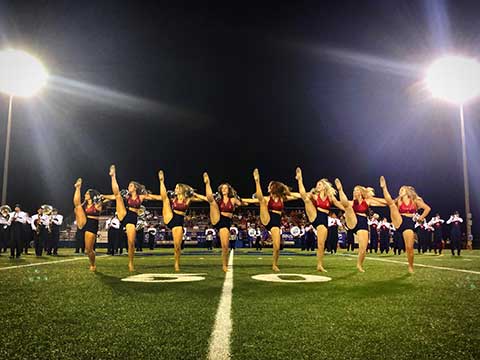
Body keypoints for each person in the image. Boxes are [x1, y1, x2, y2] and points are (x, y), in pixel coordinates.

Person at [105, 165, 162, 271]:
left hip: (132, 218)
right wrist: (103, 196)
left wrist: (165, 197)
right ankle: (113, 176)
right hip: (124, 214)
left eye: (130, 186)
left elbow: (157, 197)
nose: (128, 187)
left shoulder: (141, 197)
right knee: (118, 196)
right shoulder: (127, 196)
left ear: (135, 188)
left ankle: (131, 263)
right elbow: (114, 196)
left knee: (131, 243)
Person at [199, 173, 252, 271]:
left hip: (225, 223)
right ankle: (207, 183)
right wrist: (195, 194)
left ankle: (224, 265)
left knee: (225, 246)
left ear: (228, 190)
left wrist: (254, 202)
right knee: (212, 201)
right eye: (222, 188)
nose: (223, 189)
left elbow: (243, 203)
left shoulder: (233, 200)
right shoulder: (218, 200)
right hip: (217, 218)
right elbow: (206, 198)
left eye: (225, 188)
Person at [295, 168, 344, 271]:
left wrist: (348, 210)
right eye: (317, 184)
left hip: (323, 220)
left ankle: (319, 265)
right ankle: (300, 179)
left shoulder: (330, 197)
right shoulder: (315, 196)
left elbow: (339, 204)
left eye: (319, 184)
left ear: (324, 187)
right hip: (314, 215)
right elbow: (303, 195)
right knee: (307, 200)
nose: (317, 185)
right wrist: (300, 180)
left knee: (321, 244)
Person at [380, 176, 431, 273]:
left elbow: (427, 208)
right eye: (399, 190)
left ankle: (410, 266)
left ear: (407, 191)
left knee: (409, 247)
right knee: (391, 204)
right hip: (399, 220)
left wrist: (421, 217)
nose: (400, 191)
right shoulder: (398, 201)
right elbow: (388, 201)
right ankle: (384, 187)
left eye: (402, 190)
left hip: (409, 223)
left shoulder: (415, 201)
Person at [253, 168, 300, 272]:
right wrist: (241, 200)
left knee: (277, 246)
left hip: (275, 223)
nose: (268, 187)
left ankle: (274, 264)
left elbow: (298, 196)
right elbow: (256, 199)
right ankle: (257, 181)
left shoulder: (282, 198)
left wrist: (288, 192)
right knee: (262, 201)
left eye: (270, 186)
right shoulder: (267, 198)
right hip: (267, 219)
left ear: (274, 188)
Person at [335, 179, 387, 272]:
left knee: (363, 247)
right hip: (352, 220)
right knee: (347, 206)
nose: (355, 192)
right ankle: (340, 189)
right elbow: (339, 203)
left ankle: (359, 265)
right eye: (354, 190)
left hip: (362, 222)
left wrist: (391, 201)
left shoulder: (367, 201)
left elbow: (384, 202)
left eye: (357, 190)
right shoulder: (351, 203)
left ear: (361, 192)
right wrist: (336, 197)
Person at [158, 170, 204, 271]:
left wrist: (194, 193)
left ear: (182, 189)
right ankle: (161, 181)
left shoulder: (188, 199)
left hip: (178, 222)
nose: (175, 189)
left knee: (177, 246)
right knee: (165, 199)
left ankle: (177, 263)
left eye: (177, 188)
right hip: (170, 217)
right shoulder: (173, 198)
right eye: (175, 188)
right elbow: (163, 197)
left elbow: (205, 199)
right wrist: (162, 182)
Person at [73, 178, 104, 271]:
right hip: (84, 222)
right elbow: (76, 203)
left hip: (92, 224)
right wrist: (78, 189)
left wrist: (98, 200)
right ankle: (77, 187)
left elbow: (99, 209)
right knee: (77, 207)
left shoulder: (97, 204)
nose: (85, 195)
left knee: (88, 249)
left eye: (87, 193)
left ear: (91, 195)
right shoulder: (85, 205)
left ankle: (93, 264)